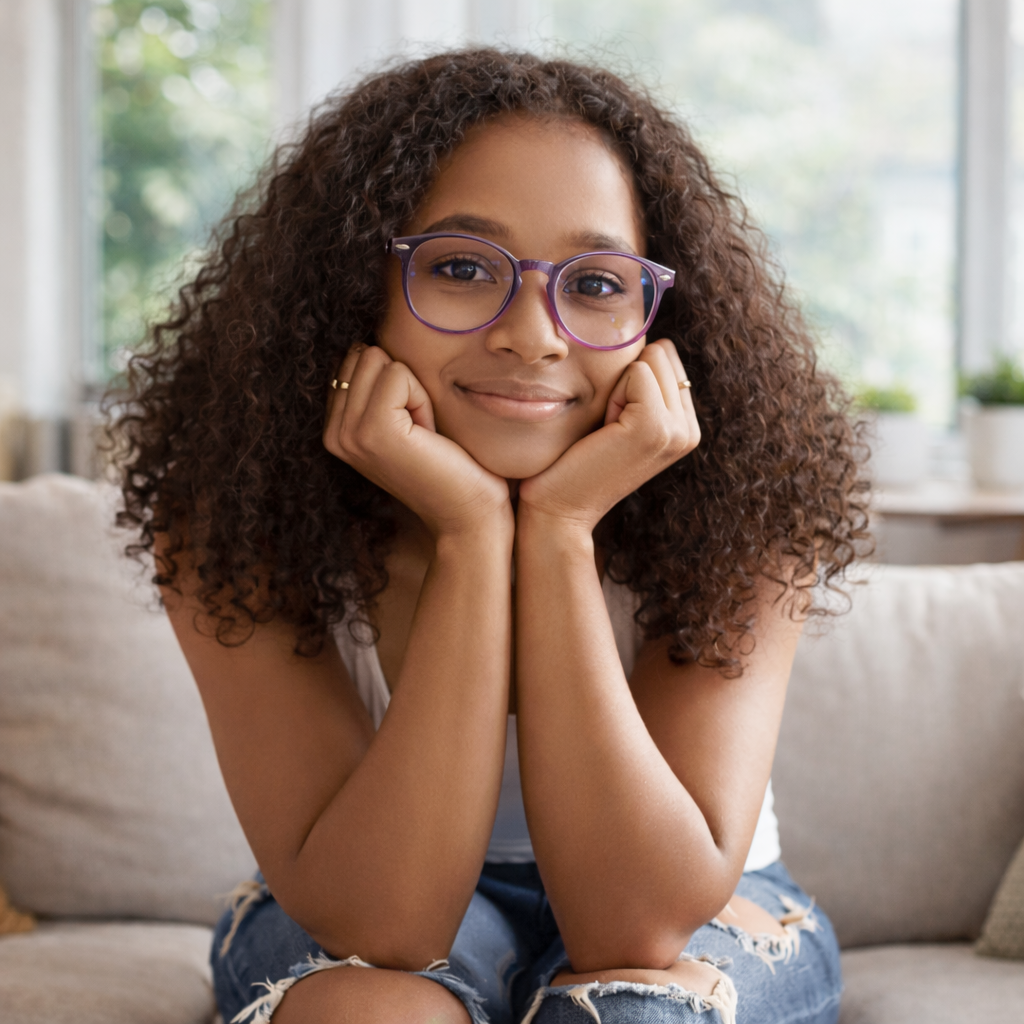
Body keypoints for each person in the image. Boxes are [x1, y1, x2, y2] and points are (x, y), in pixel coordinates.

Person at [115, 49, 868, 1024]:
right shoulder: (231, 516)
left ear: (657, 316)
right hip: (362, 900)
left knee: (635, 1014)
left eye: (595, 283)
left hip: (701, 907)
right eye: (463, 268)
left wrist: (555, 529)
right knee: (374, 1013)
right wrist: (474, 534)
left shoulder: (748, 510)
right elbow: (386, 922)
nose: (536, 335)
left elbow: (632, 927)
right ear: (352, 286)